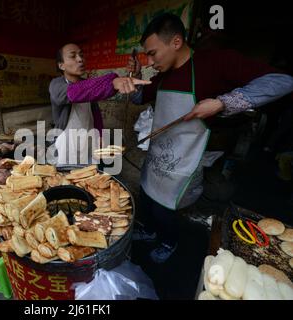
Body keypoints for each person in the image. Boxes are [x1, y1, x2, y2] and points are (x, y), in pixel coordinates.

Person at [62, 13, 293, 263]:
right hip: (157, 153)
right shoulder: (164, 75)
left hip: (184, 158)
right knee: (149, 199)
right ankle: (149, 230)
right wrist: (134, 78)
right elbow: (140, 98)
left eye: (152, 53)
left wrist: (221, 102)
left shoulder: (215, 62)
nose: (150, 61)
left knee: (167, 209)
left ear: (175, 42)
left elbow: (282, 81)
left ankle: (168, 242)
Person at [49, 43, 149, 164]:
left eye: (81, 55)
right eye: (73, 56)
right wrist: (112, 82)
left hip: (89, 142)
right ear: (61, 65)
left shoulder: (89, 87)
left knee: (89, 179)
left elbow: (95, 114)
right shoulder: (56, 85)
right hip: (67, 145)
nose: (80, 59)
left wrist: (100, 135)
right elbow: (74, 93)